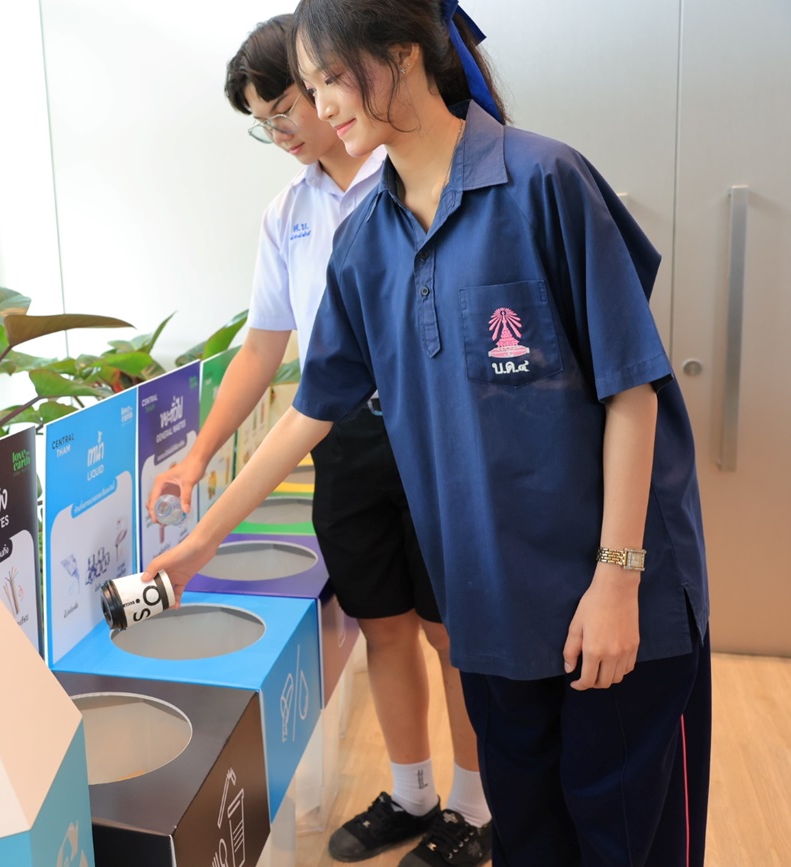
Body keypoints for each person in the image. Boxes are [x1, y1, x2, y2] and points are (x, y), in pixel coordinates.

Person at [146, 1, 712, 865]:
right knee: (532, 841)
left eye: (331, 79)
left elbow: (632, 388)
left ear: (404, 53)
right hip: (493, 614)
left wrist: (617, 579)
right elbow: (309, 411)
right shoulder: (363, 244)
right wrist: (198, 546)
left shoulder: (544, 182)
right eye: (311, 87)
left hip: (616, 606)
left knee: (626, 842)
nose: (322, 106)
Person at [147, 14, 490, 865]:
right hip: (339, 437)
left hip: (430, 432)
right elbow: (265, 348)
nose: (282, 132)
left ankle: (475, 804)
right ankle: (412, 790)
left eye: (286, 108)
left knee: (453, 634)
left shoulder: (407, 172)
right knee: (383, 622)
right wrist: (198, 454)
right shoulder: (288, 213)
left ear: (328, 81)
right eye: (262, 123)